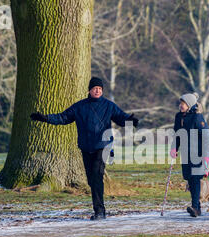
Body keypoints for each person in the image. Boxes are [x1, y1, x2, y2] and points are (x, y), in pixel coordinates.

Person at [30, 77, 139, 220]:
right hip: (86, 147)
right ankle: (99, 209)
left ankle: (100, 211)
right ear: (89, 90)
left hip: (103, 146)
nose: (98, 91)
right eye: (95, 88)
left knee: (97, 176)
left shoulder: (108, 106)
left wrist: (131, 121)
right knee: (91, 180)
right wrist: (45, 118)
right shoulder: (79, 107)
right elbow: (63, 117)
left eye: (100, 89)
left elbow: (121, 118)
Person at [170, 92, 209, 217]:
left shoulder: (197, 117)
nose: (181, 106)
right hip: (185, 153)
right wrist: (174, 148)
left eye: (183, 104)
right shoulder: (178, 117)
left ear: (190, 105)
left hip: (197, 153)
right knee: (189, 178)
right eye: (180, 103)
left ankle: (195, 207)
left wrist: (206, 156)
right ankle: (197, 207)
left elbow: (206, 136)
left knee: (195, 179)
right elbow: (176, 134)